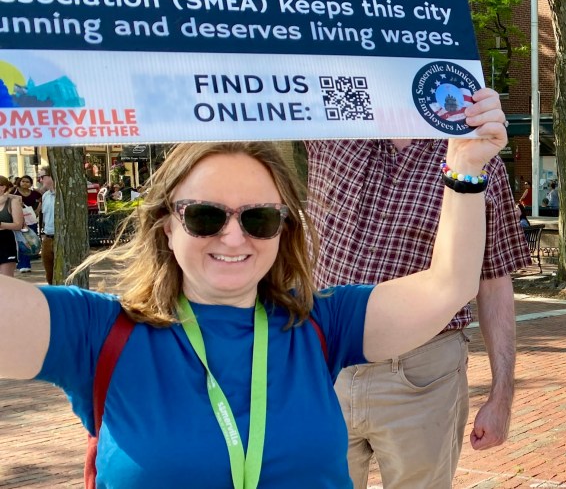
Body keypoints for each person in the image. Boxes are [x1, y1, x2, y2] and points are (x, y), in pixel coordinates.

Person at [0, 88, 507, 489]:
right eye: (205, 215)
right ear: (166, 227)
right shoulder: (94, 330)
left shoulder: (320, 323)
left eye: (260, 218)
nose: (234, 236)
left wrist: (464, 167)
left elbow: (450, 285)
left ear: (283, 229)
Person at [305, 135, 529, 489]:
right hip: (322, 365)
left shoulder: (475, 160)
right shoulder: (331, 132)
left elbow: (494, 283)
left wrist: (501, 396)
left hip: (421, 373)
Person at [0, 177, 24, 277]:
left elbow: (18, 225)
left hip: (6, 243)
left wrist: (1, 225)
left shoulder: (12, 201)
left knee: (6, 280)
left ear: (3, 187)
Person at [38, 169, 55, 284]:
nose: (40, 180)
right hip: (47, 237)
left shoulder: (63, 196)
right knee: (49, 273)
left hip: (60, 237)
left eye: (42, 177)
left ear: (51, 176)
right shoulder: (45, 196)